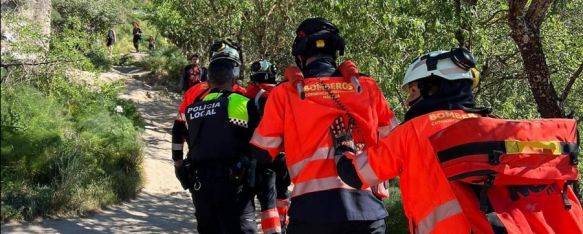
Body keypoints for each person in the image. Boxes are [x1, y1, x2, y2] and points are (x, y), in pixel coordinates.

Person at [334, 48, 583, 233]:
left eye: (413, 90)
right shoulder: (492, 125)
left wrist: (344, 144)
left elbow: (356, 175)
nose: (409, 101)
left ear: (433, 86)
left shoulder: (412, 131)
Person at [250, 18, 399, 234]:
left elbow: (262, 152)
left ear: (300, 56)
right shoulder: (366, 87)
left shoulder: (285, 93)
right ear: (335, 51)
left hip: (311, 214)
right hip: (367, 211)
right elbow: (395, 141)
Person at [172, 40, 259, 234]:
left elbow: (178, 130)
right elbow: (258, 138)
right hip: (234, 179)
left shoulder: (193, 95)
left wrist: (178, 164)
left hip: (200, 178)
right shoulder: (243, 96)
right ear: (235, 72)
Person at [245, 59, 291, 233]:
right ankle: (283, 225)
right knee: (282, 192)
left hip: (262, 154)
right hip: (285, 154)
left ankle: (273, 230)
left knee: (267, 200)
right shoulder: (283, 93)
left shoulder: (250, 94)